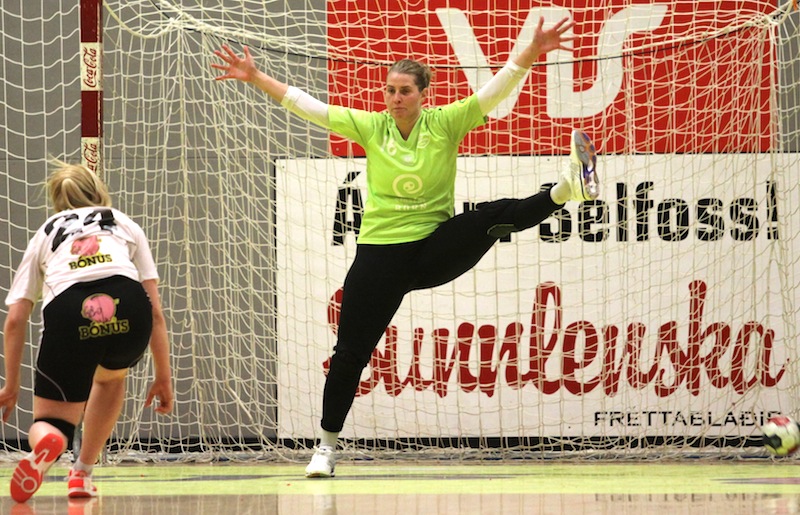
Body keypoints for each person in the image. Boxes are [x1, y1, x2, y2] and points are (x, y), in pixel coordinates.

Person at [211, 15, 598, 478]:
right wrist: (256, 77)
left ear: (422, 94)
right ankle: (326, 448)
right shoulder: (372, 128)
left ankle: (566, 188)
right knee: (350, 353)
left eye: (405, 91)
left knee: (488, 218)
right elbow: (310, 107)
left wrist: (530, 53)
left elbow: (495, 91)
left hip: (432, 249)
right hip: (381, 257)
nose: (396, 98)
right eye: (390, 91)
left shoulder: (446, 123)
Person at [0, 159, 174, 502]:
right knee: (110, 378)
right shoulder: (123, 222)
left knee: (53, 421)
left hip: (71, 309)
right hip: (128, 305)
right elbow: (155, 312)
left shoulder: (47, 231)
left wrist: (11, 386)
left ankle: (51, 439)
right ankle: (81, 474)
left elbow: (16, 319)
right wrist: (164, 376)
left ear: (57, 200)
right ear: (99, 191)